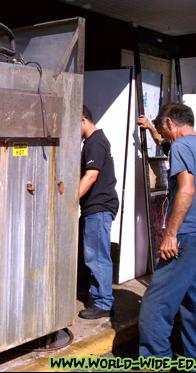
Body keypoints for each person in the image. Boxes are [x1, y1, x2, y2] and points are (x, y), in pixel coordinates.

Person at [138, 103, 196, 359]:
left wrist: (171, 234)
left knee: (156, 305)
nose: (164, 136)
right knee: (195, 306)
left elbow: (187, 189)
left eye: (162, 129)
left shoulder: (181, 146)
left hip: (185, 240)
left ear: (170, 123)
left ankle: (157, 360)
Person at [77, 105, 120, 319]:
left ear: (83, 119)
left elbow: (91, 176)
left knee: (97, 255)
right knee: (86, 252)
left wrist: (69, 199)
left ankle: (104, 303)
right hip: (93, 208)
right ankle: (83, 290)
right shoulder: (92, 142)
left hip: (99, 207)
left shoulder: (96, 142)